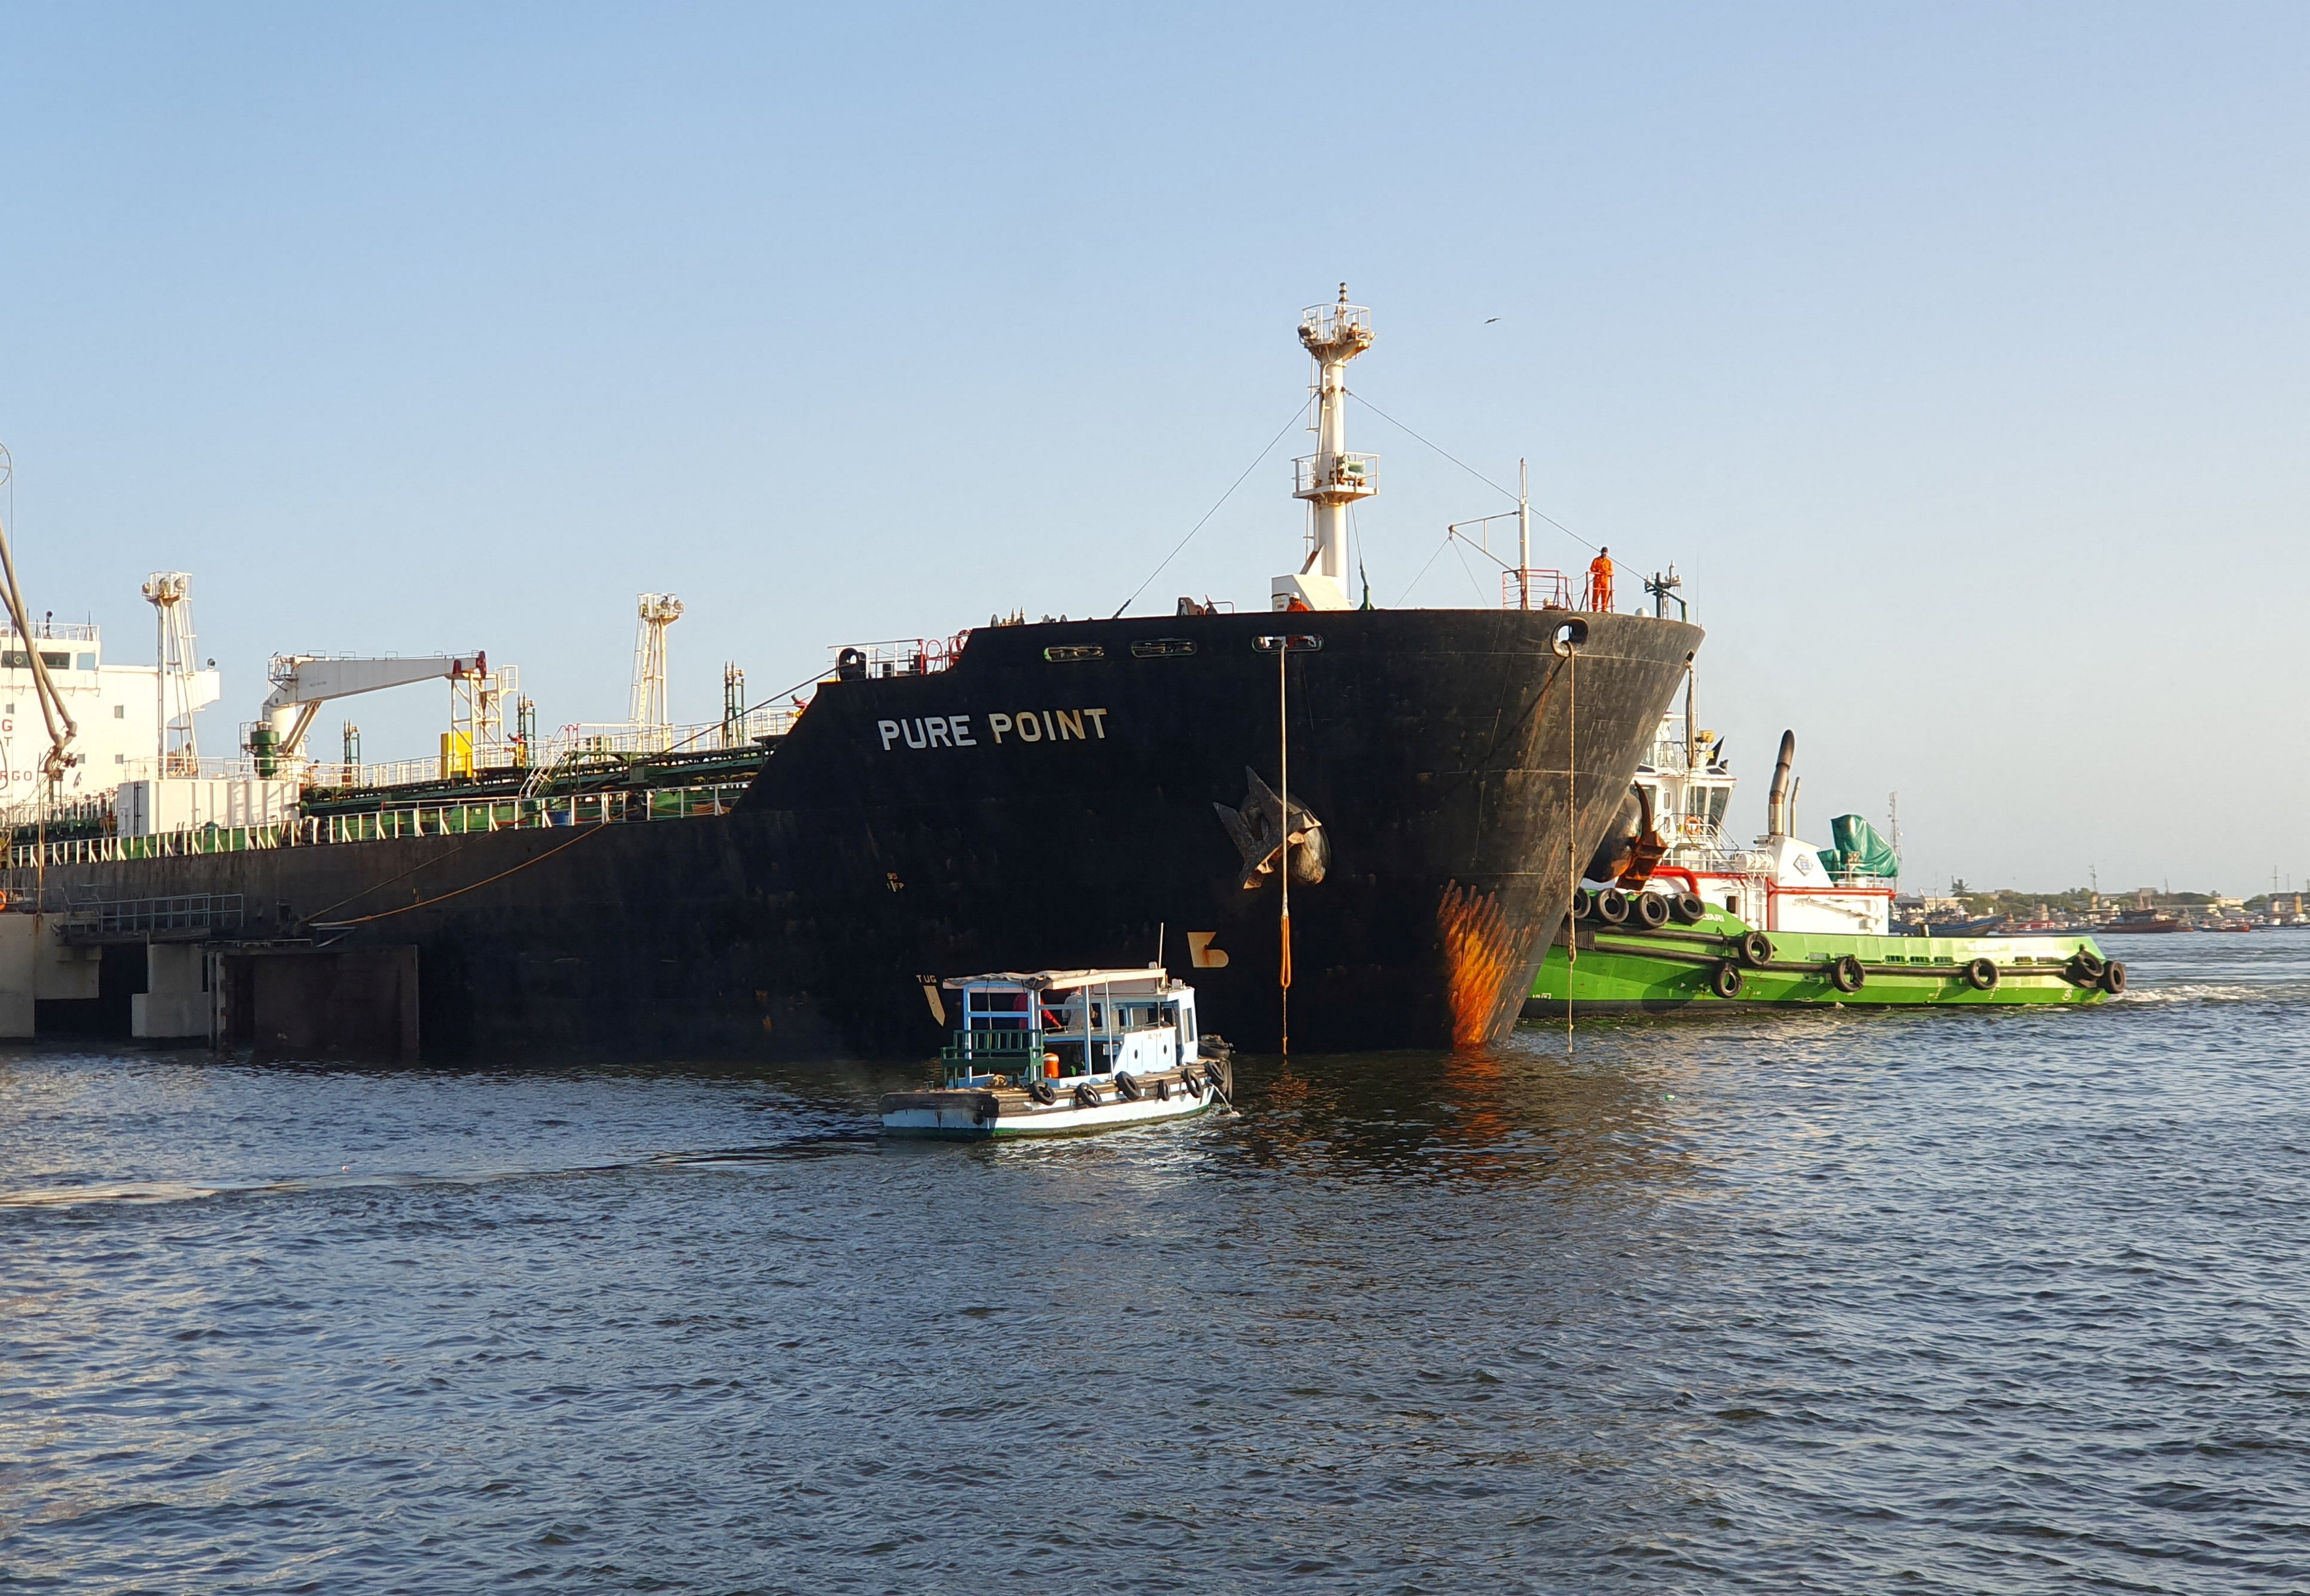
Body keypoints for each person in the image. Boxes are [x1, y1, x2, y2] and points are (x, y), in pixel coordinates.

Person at [1587, 547, 1614, 611]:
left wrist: (1605, 572)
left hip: (1605, 581)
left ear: (1607, 553)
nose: (1604, 553)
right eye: (1603, 552)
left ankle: (1604, 609)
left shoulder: (1609, 562)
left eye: (1605, 552)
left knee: (1605, 596)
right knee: (1596, 595)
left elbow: (1611, 571)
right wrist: (1598, 571)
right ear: (1601, 552)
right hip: (1597, 580)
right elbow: (1592, 568)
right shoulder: (1596, 560)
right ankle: (1595, 609)